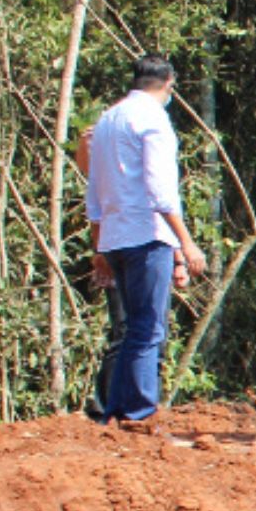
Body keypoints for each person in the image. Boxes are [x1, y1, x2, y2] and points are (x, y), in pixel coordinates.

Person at [83, 54, 207, 425]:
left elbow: (95, 188)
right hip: (145, 234)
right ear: (169, 83)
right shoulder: (153, 119)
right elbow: (160, 188)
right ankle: (139, 411)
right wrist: (186, 241)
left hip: (116, 236)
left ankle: (116, 411)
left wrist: (98, 243)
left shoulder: (108, 119)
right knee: (148, 326)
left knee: (132, 327)